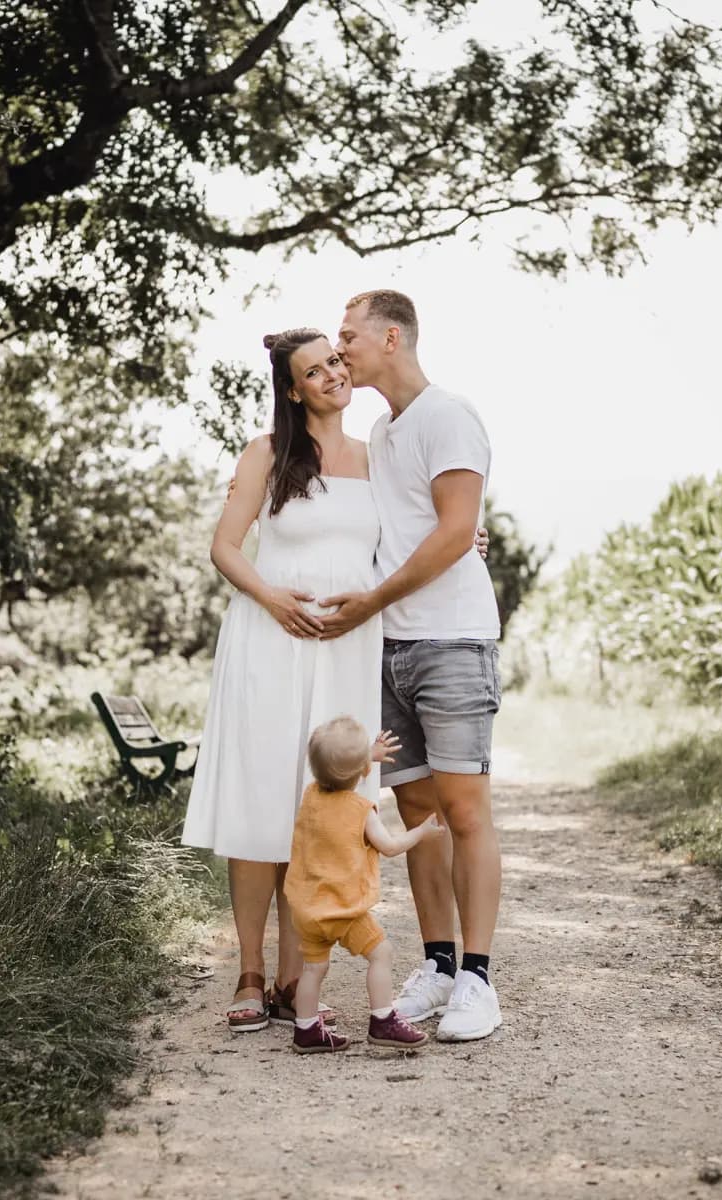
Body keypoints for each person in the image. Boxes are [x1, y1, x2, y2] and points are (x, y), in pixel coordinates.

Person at [182, 324, 490, 1035]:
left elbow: (425, 516)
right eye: (314, 370)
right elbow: (225, 547)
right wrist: (272, 598)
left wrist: (469, 534)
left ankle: (298, 973)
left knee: (319, 806)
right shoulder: (267, 454)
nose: (332, 375)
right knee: (260, 801)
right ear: (292, 388)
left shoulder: (377, 455)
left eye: (334, 362)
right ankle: (252, 971)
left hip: (348, 648)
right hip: (271, 641)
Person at [320, 289, 504, 1042]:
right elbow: (400, 529)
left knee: (465, 813)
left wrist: (372, 600)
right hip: (389, 648)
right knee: (418, 816)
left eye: (348, 336)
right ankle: (435, 966)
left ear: (391, 337)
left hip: (452, 639)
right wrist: (369, 611)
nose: (340, 351)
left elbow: (458, 530)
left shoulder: (448, 415)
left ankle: (479, 981)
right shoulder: (382, 431)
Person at [283, 714, 445, 1054]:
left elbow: (337, 771)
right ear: (361, 772)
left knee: (314, 968)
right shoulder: (361, 810)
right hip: (344, 910)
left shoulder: (310, 796)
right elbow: (389, 846)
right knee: (380, 954)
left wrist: (365, 757)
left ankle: (306, 1030)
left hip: (308, 908)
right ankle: (383, 1019)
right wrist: (422, 831)